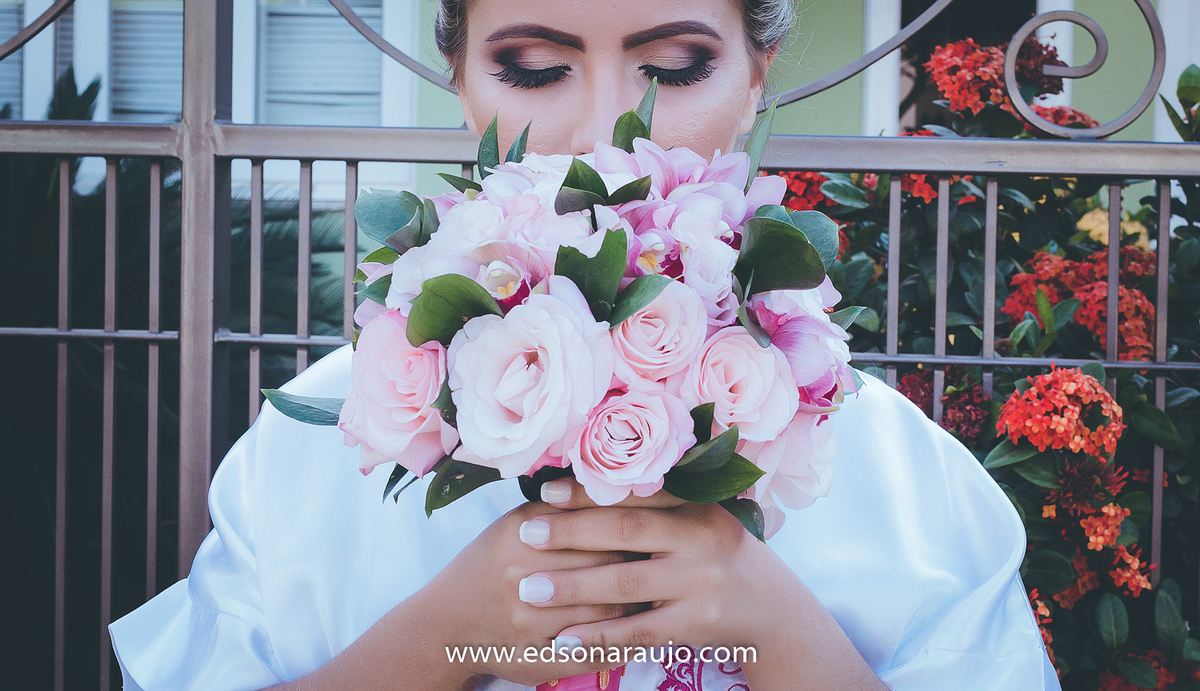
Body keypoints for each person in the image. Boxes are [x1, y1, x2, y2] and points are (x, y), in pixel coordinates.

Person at [108, 0, 1059, 689]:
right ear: (460, 78)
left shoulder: (899, 479)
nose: (608, 135)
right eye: (531, 66)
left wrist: (783, 637)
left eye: (677, 65)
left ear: (758, 73)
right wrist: (445, 637)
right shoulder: (323, 448)